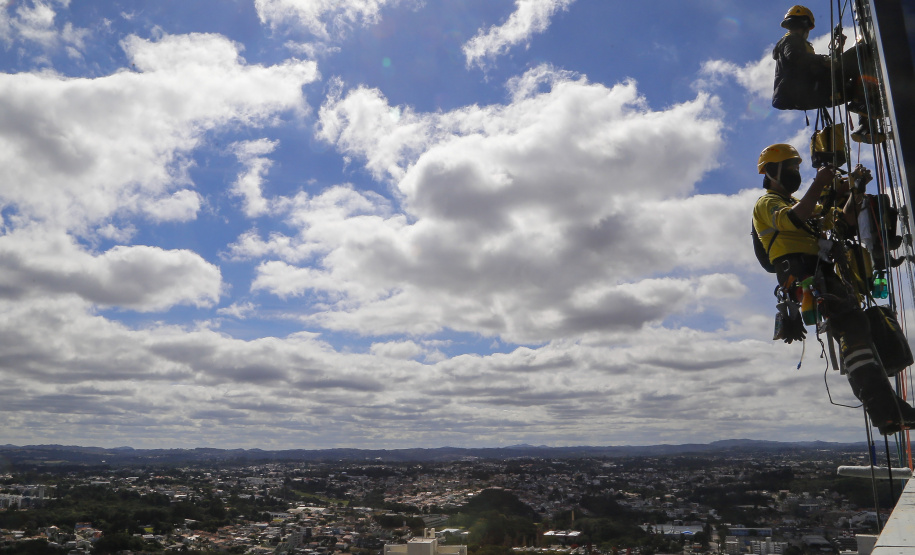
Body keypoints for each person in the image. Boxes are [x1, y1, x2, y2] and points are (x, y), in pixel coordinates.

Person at [752, 143, 914, 435]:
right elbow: (793, 218)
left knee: (860, 331)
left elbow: (841, 221)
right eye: (789, 168)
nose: (794, 173)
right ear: (771, 173)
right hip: (805, 278)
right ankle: (885, 412)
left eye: (795, 168)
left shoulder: (799, 203)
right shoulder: (767, 204)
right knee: (854, 332)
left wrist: (855, 191)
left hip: (823, 276)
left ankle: (889, 410)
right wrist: (820, 183)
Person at [771, 5, 883, 144]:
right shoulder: (791, 40)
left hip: (813, 94)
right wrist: (824, 60)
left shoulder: (793, 43)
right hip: (811, 90)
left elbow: (816, 68)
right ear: (806, 25)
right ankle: (860, 106)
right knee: (860, 52)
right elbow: (795, 57)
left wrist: (836, 51)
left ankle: (865, 128)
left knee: (860, 86)